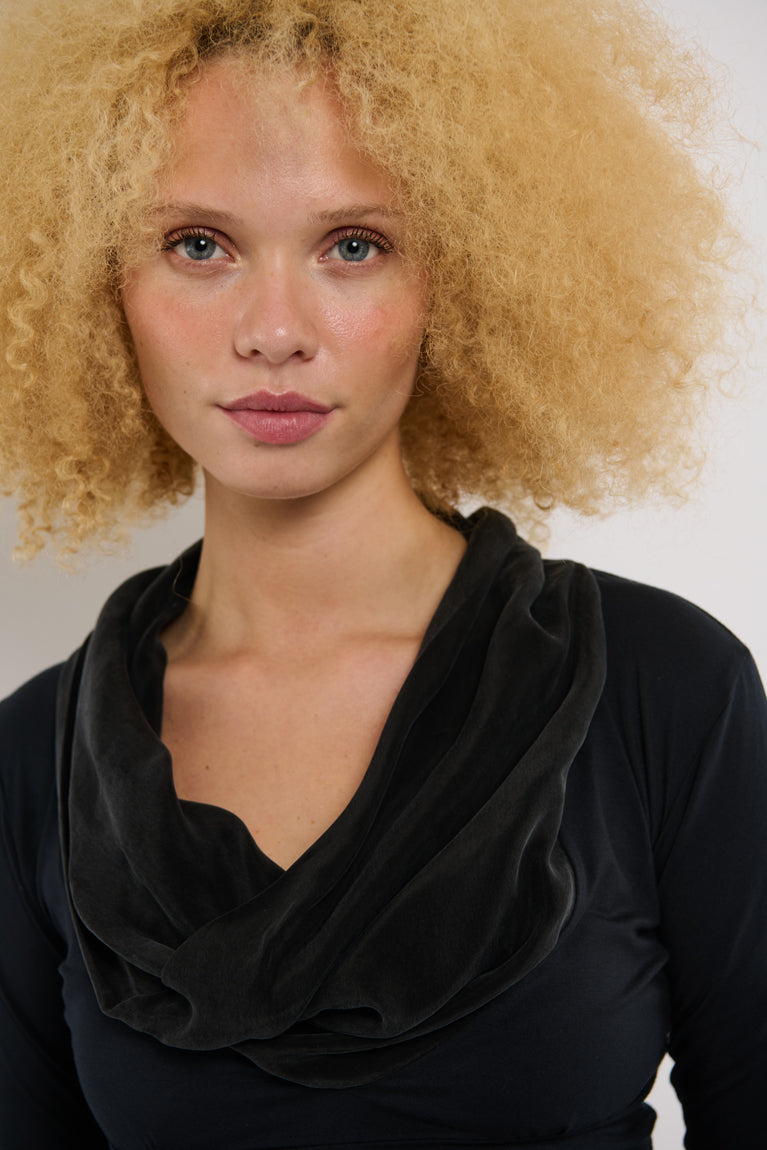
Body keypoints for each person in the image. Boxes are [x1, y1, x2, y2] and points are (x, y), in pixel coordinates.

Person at [0, 0, 764, 1147]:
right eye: (198, 245)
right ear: (96, 282)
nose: (273, 330)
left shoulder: (662, 690)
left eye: (352, 245)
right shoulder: (36, 760)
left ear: (456, 279)